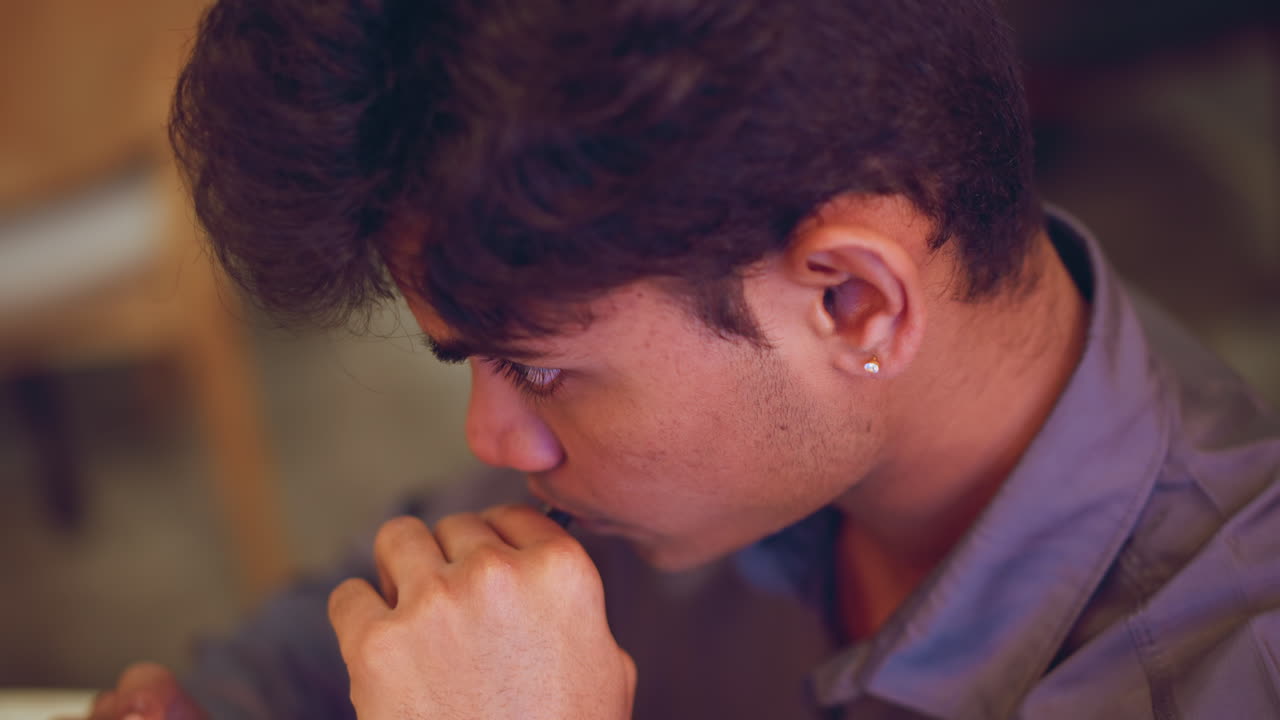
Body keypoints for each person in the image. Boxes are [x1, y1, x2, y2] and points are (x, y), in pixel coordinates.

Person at [88, 0, 1280, 718]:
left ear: (855, 302)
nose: (494, 442)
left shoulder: (1222, 672)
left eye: (537, 368)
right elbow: (343, 636)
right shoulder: (683, 478)